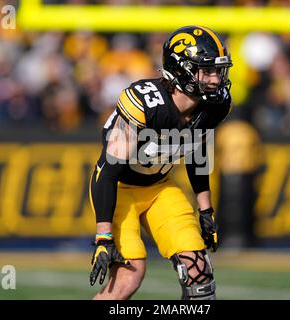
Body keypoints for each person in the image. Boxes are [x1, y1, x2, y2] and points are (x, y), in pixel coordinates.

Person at [88, 26, 233, 300]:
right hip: (120, 190)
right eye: (207, 71)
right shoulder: (146, 103)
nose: (216, 79)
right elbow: (106, 171)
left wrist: (206, 210)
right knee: (129, 276)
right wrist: (103, 236)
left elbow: (196, 151)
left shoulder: (213, 106)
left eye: (218, 71)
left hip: (159, 187)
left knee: (198, 271)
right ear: (181, 71)